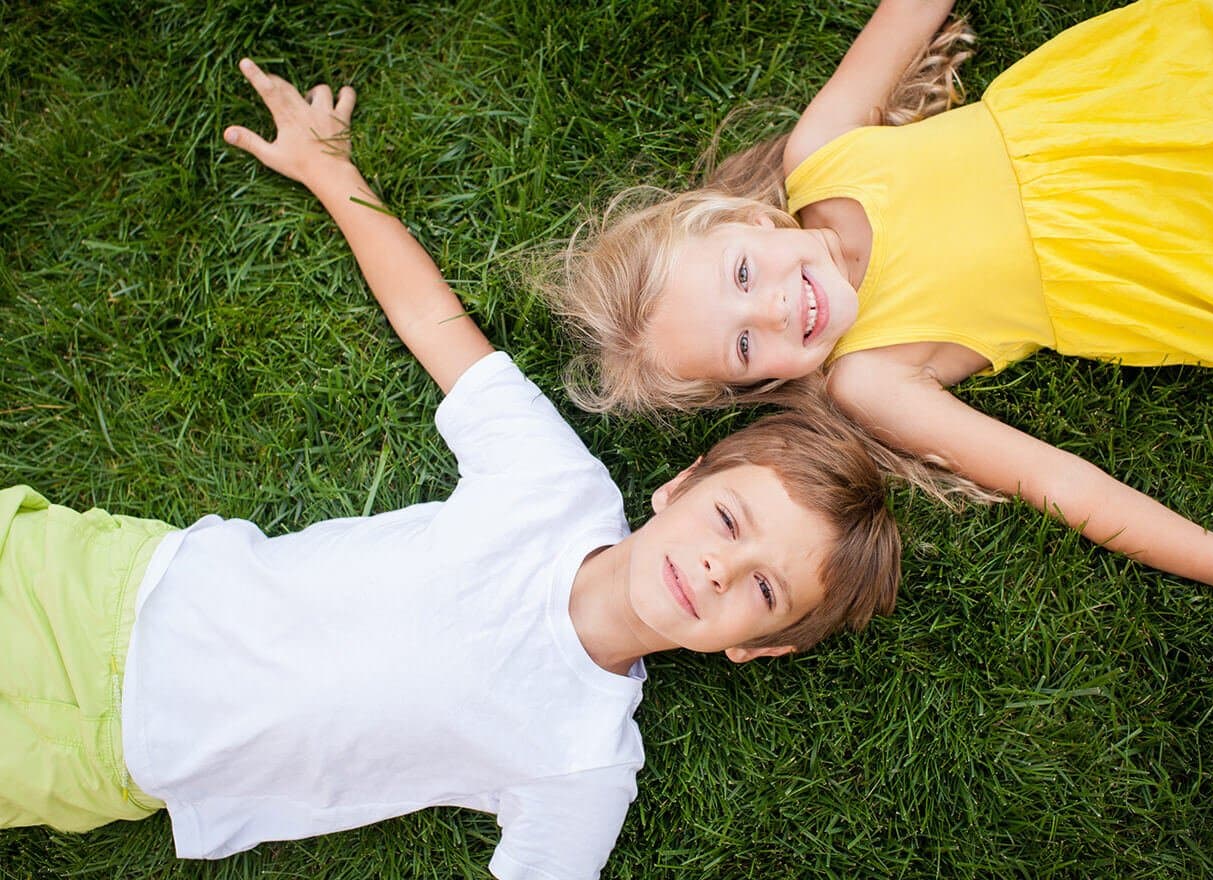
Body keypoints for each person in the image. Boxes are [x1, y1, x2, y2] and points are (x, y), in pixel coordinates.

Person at [0, 59, 901, 879]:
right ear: (681, 483)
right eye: (730, 521)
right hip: (112, 584)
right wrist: (331, 169)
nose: (717, 568)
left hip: (104, 754)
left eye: (764, 590)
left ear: (756, 647)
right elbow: (434, 322)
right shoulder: (557, 488)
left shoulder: (585, 763)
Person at [542, 0, 1213, 620]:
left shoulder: (822, 152)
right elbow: (1062, 483)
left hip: (1137, 97)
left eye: (742, 273)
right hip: (1161, 249)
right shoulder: (871, 378)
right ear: (760, 383)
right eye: (743, 345)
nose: (773, 308)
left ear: (752, 220)